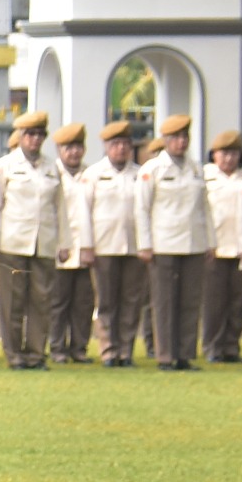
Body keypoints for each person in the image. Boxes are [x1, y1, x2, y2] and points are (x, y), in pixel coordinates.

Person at [0, 110, 67, 370]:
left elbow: (61, 208)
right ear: (20, 136)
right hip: (12, 241)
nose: (35, 139)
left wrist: (64, 243)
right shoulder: (5, 165)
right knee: (12, 302)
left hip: (43, 242)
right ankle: (14, 354)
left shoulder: (52, 167)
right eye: (30, 134)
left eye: (40, 134)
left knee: (41, 301)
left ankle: (35, 354)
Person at [137, 114, 210, 370]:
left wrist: (210, 242)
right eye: (175, 137)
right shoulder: (152, 169)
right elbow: (142, 209)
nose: (181, 142)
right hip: (163, 243)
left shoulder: (196, 168)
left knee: (190, 301)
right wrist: (145, 244)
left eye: (184, 137)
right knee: (164, 302)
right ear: (166, 140)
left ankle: (185, 354)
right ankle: (165, 355)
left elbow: (205, 208)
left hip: (193, 242)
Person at [76, 120, 147, 367]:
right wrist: (87, 246)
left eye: (125, 144)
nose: (121, 149)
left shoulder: (140, 174)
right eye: (115, 144)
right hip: (104, 246)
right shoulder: (93, 174)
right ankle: (108, 350)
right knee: (106, 301)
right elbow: (84, 213)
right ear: (106, 146)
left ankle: (126, 351)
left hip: (133, 246)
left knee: (131, 301)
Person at [47, 123, 94, 362]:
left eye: (78, 147)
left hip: (85, 248)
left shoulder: (91, 174)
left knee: (83, 303)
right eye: (68, 147)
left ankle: (79, 348)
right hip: (60, 247)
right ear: (59, 150)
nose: (74, 152)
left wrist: (89, 246)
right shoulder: (51, 173)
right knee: (58, 302)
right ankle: (57, 347)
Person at [205, 129, 242, 363]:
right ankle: (213, 347)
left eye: (233, 153)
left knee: (238, 301)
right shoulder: (205, 177)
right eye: (223, 153)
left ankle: (231, 347)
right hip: (215, 248)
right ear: (214, 155)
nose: (228, 158)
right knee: (214, 303)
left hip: (241, 248)